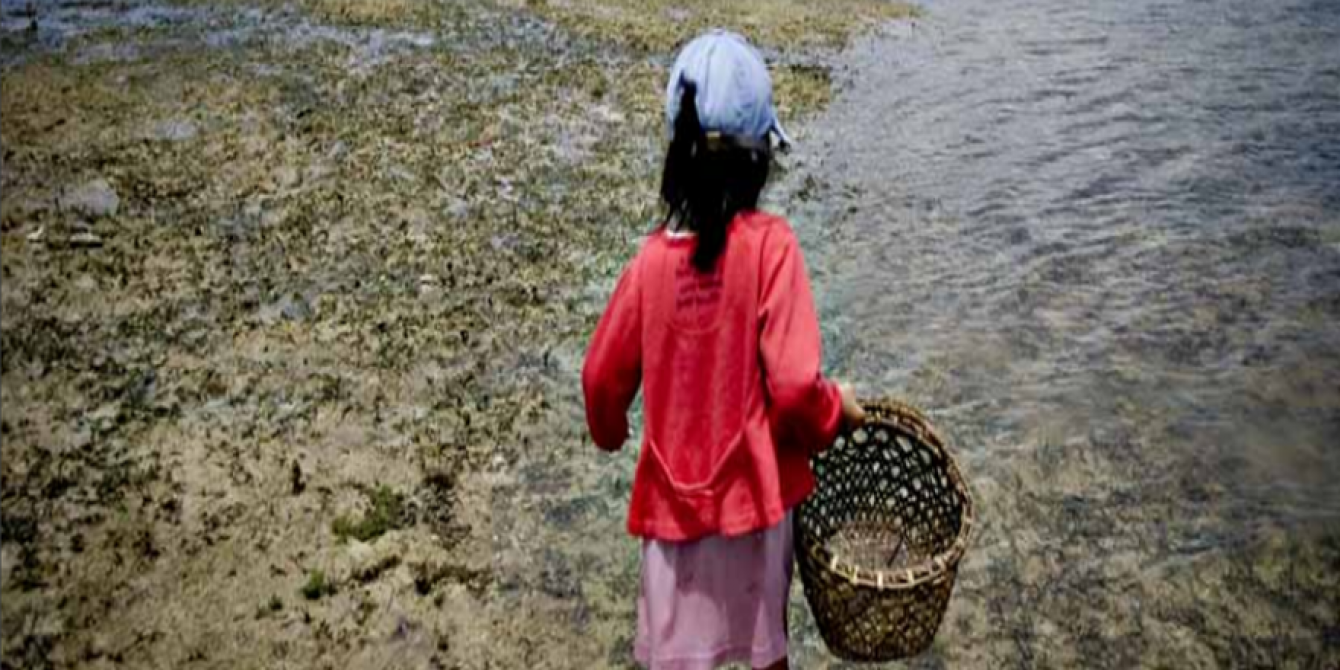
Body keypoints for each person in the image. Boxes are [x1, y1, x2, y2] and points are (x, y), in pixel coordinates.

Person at [581, 29, 865, 670]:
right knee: (762, 657)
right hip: (755, 521)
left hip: (670, 525)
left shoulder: (650, 263)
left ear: (675, 158)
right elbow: (795, 388)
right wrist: (835, 412)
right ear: (760, 157)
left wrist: (609, 434)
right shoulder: (772, 248)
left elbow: (601, 381)